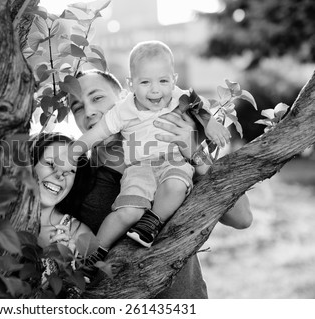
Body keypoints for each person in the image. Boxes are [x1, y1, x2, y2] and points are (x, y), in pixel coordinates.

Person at [68, 69, 253, 298]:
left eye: (97, 98)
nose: (89, 112)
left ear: (127, 97)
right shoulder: (76, 177)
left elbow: (242, 218)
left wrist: (195, 152)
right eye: (77, 107)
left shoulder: (175, 148)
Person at [62, 41, 231, 257]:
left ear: (173, 81)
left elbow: (242, 217)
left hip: (173, 159)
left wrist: (206, 131)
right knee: (130, 207)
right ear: (131, 85)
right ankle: (93, 256)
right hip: (139, 167)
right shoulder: (123, 112)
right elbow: (95, 134)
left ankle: (151, 221)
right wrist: (71, 153)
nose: (154, 89)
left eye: (97, 98)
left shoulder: (180, 104)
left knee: (176, 183)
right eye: (145, 82)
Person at [31, 133, 92, 293]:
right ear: (30, 164)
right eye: (51, 163)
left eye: (70, 171)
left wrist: (66, 270)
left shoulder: (80, 235)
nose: (60, 175)